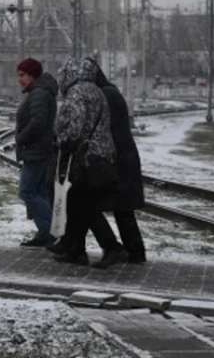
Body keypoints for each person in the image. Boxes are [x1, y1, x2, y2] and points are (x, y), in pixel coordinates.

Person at [52, 57, 118, 266]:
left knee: (83, 205)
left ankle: (112, 247)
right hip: (102, 155)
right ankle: (75, 249)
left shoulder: (77, 93)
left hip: (85, 157)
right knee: (80, 203)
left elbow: (75, 128)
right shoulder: (97, 91)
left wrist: (61, 141)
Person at [85, 60, 146, 268]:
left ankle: (116, 249)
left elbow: (102, 126)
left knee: (95, 204)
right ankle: (135, 253)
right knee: (123, 209)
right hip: (122, 156)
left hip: (117, 158)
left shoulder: (106, 94)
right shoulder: (109, 91)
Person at [13, 58, 59, 247]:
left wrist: (22, 137)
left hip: (36, 151)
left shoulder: (38, 93)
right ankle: (45, 232)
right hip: (39, 149)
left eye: (22, 75)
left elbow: (38, 122)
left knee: (27, 191)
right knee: (39, 191)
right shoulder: (39, 92)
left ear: (32, 75)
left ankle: (52, 231)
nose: (19, 79)